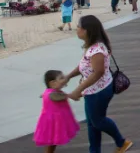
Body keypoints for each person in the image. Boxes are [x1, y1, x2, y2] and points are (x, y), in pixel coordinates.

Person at [65, 15, 133, 153]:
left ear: (86, 30)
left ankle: (122, 142)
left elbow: (98, 72)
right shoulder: (91, 46)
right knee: (92, 123)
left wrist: (78, 90)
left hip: (99, 91)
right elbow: (83, 66)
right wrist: (68, 76)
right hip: (92, 91)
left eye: (78, 26)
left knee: (98, 121)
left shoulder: (97, 50)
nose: (76, 29)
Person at [33, 70, 79, 152]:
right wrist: (72, 95)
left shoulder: (51, 92)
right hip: (53, 122)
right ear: (52, 83)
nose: (64, 79)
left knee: (52, 142)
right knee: (52, 141)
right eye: (61, 78)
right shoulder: (53, 94)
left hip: (54, 120)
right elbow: (57, 97)